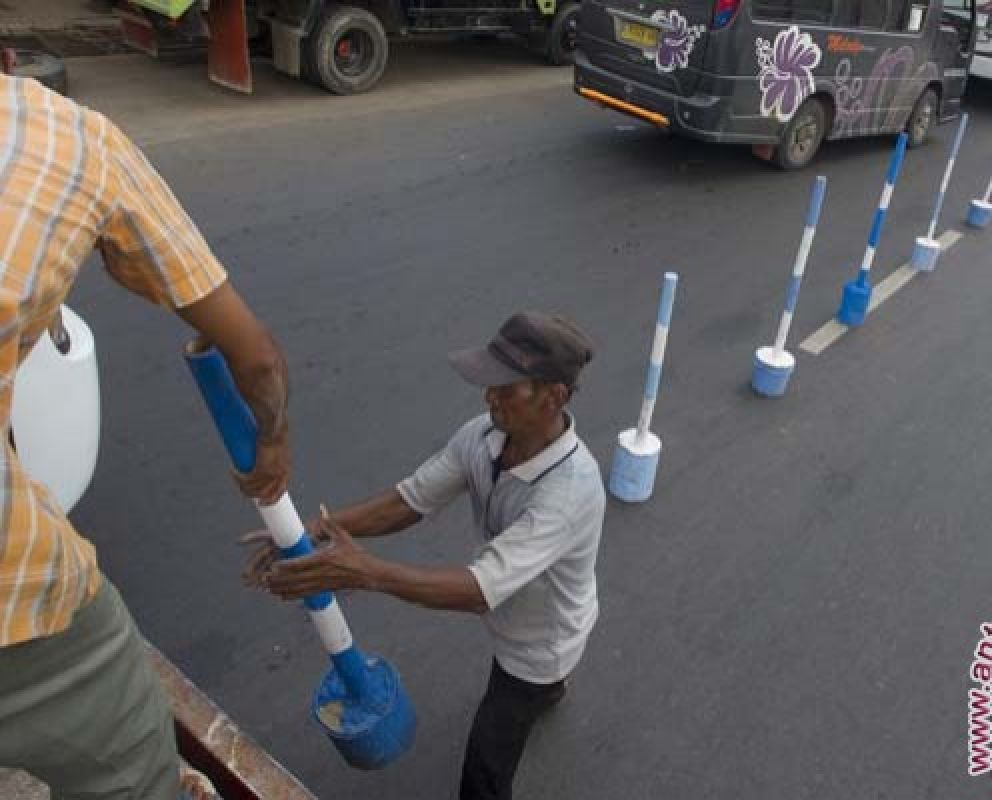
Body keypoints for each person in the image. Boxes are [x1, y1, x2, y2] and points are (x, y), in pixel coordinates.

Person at [0, 73, 291, 797]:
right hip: (15, 598)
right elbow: (254, 357)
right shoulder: (63, 134)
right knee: (127, 744)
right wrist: (275, 444)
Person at [244, 312, 605, 800]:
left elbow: (478, 590)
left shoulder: (571, 492)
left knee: (486, 766)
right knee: (538, 690)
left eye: (506, 387)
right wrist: (315, 530)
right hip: (513, 611)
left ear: (554, 397)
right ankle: (551, 692)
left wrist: (366, 571)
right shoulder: (484, 434)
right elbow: (409, 500)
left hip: (539, 643)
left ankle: (545, 690)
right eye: (489, 382)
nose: (488, 395)